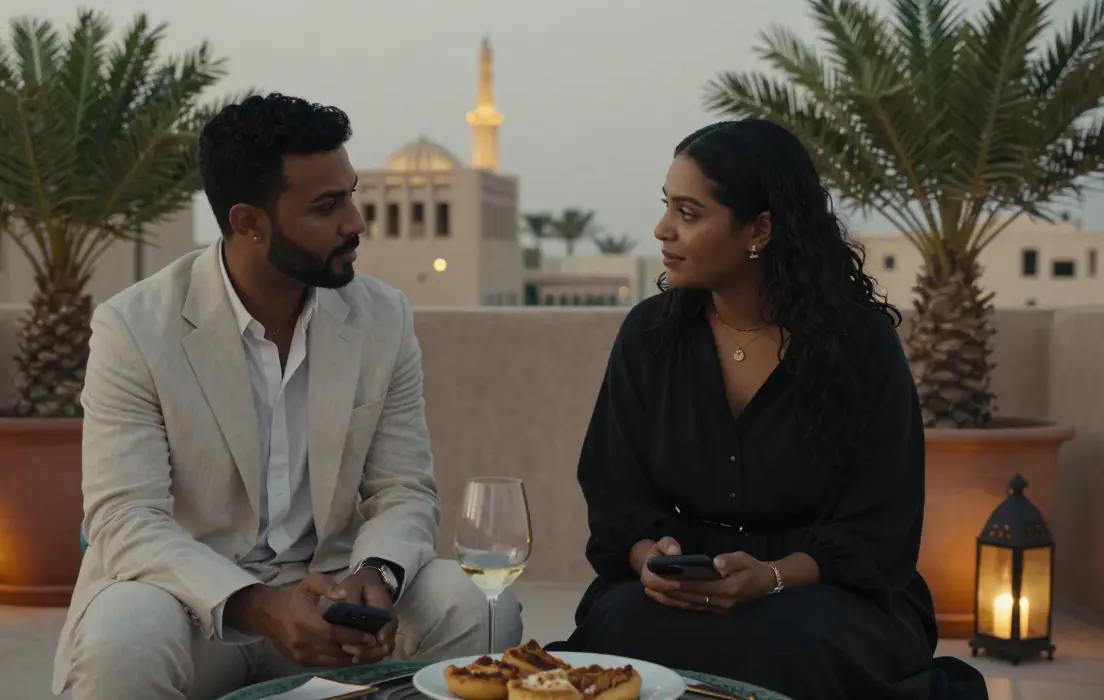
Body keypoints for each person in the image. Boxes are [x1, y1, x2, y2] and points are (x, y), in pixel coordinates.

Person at [51, 93, 522, 700]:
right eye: (328, 206)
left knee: (479, 606)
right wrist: (260, 605)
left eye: (351, 193)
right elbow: (124, 518)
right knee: (125, 637)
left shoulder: (382, 318)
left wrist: (373, 577)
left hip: (334, 608)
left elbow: (403, 490)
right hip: (191, 607)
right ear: (250, 221)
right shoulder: (135, 328)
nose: (355, 222)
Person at [551, 119, 989, 700]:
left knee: (780, 646)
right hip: (680, 587)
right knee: (625, 629)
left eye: (688, 213)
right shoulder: (650, 338)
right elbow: (615, 494)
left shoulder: (859, 347)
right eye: (667, 207)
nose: (662, 231)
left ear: (759, 229)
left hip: (824, 590)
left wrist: (774, 577)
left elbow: (879, 527)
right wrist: (649, 560)